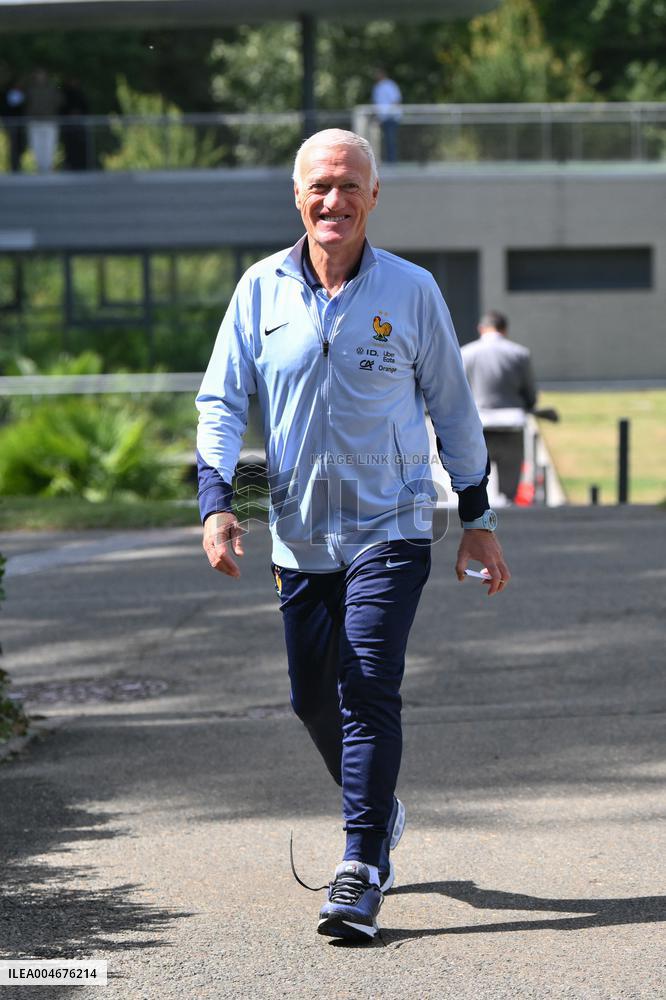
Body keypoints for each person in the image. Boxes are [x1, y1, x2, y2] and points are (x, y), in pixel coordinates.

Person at [196, 129, 510, 942]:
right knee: (312, 697)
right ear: (297, 197)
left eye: (349, 185)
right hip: (299, 529)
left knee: (366, 679)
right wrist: (218, 503)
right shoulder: (259, 290)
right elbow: (223, 402)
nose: (333, 200)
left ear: (374, 196)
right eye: (319, 186)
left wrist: (476, 520)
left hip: (392, 521)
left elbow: (453, 410)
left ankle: (361, 864)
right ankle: (381, 808)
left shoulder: (411, 291)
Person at [461, 310, 537, 503]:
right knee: (509, 490)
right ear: (505, 329)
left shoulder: (466, 353)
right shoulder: (519, 354)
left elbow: (459, 391)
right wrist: (529, 404)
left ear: (481, 328)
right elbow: (530, 392)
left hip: (479, 425)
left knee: (476, 484)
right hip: (511, 423)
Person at [25, 68, 60, 173]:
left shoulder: (52, 89)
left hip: (49, 121)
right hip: (34, 122)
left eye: (42, 75)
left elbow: (59, 102)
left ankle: (48, 167)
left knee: (49, 145)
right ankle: (40, 167)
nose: (40, 77)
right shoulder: (30, 89)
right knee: (36, 145)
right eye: (38, 75)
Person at [371, 68, 401, 164]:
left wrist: (389, 113)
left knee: (390, 140)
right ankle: (385, 161)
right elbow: (377, 104)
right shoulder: (377, 87)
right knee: (382, 141)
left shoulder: (390, 85)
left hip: (391, 117)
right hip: (381, 118)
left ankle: (392, 162)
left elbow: (395, 100)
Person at [2, 75, 27, 172]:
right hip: (11, 123)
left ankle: (18, 164)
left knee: (21, 144)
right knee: (13, 145)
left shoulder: (23, 93)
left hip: (21, 123)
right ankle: (14, 165)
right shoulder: (6, 93)